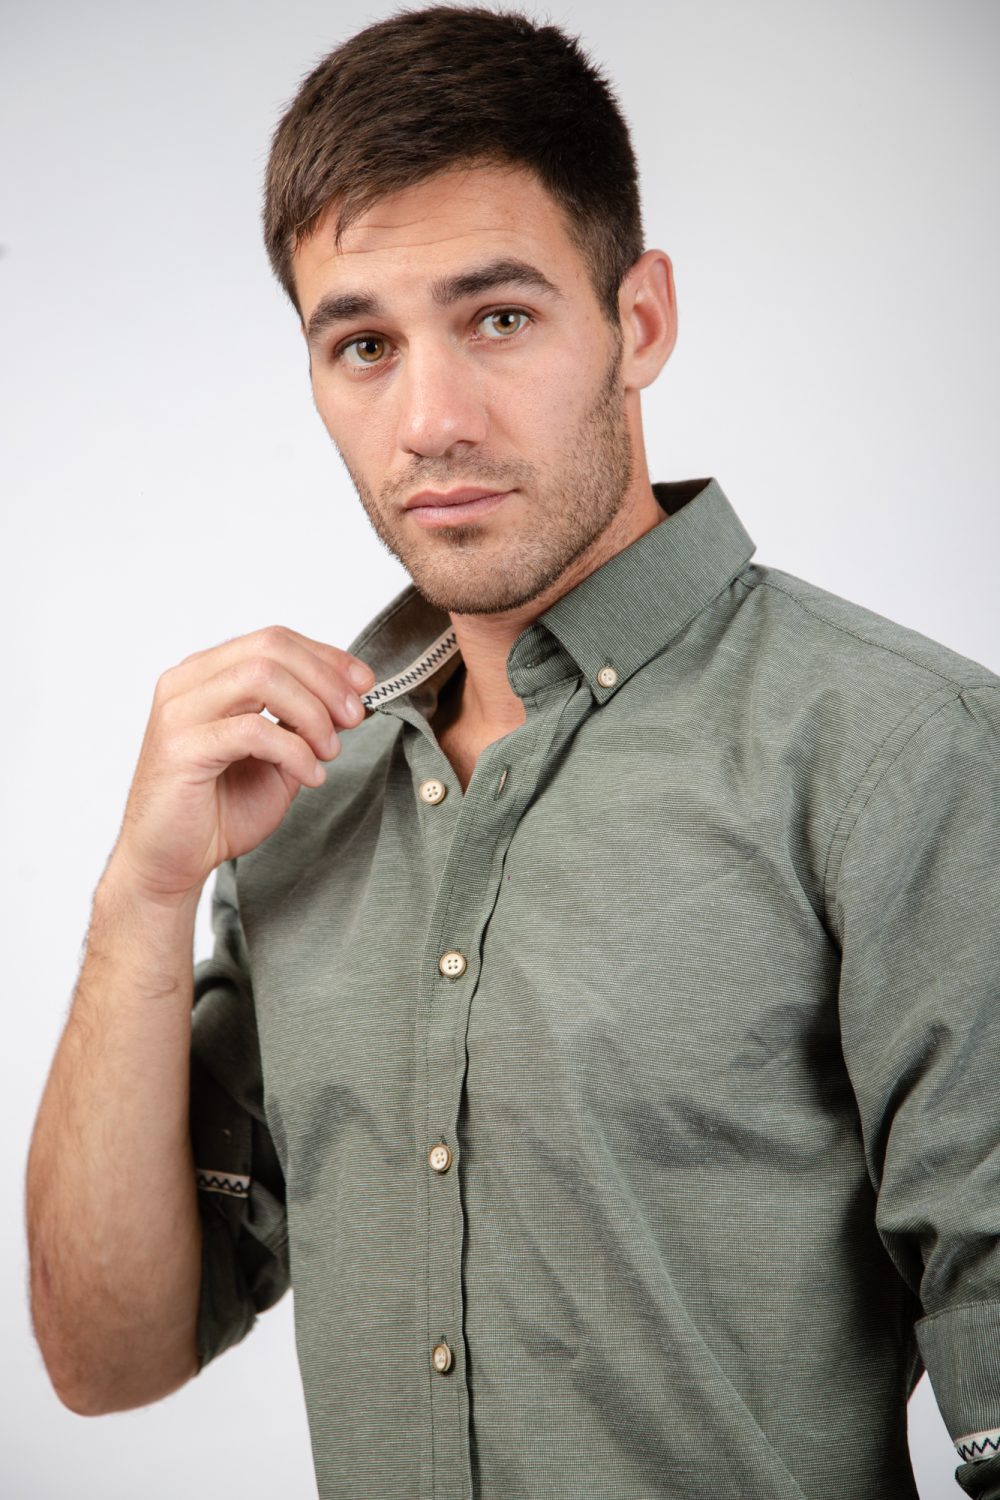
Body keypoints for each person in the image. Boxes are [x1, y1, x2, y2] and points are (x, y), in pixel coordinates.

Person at [25, 7, 1000, 1499]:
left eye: (497, 317)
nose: (429, 421)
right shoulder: (296, 795)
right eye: (364, 344)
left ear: (639, 320)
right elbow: (109, 1359)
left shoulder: (904, 755)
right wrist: (137, 900)